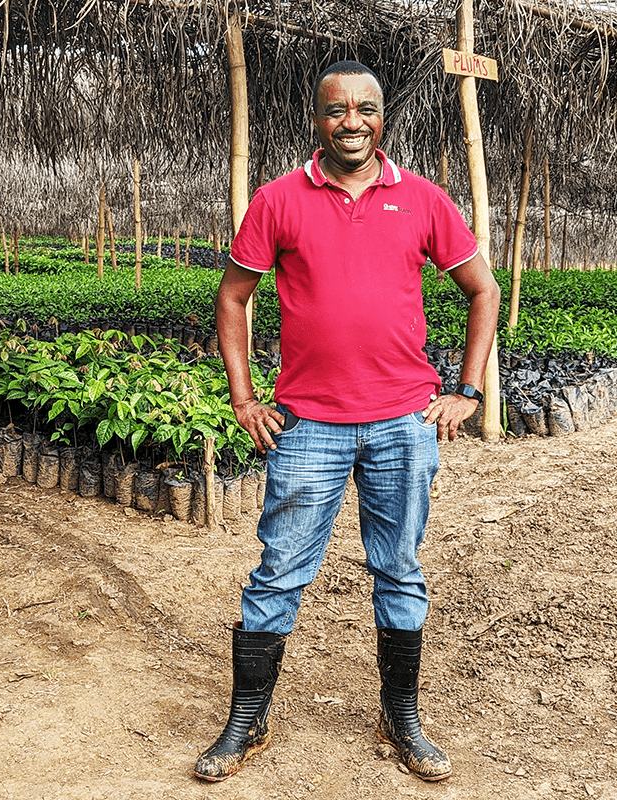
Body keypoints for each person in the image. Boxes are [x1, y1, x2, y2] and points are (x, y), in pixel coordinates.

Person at [196, 60, 500, 783]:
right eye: (337, 110)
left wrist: (467, 391)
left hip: (403, 423)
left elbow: (482, 290)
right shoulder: (278, 199)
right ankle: (248, 720)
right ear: (316, 120)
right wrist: (244, 399)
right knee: (278, 573)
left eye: (367, 108)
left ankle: (401, 716)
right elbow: (233, 296)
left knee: (398, 568)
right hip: (309, 426)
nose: (353, 121)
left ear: (384, 117)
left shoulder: (423, 199)